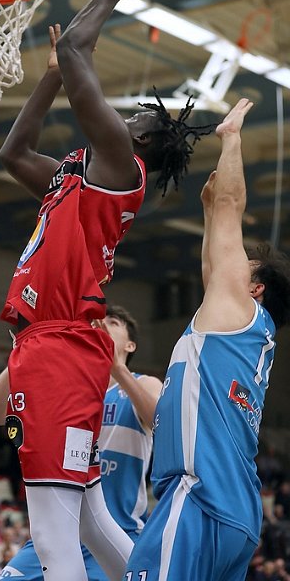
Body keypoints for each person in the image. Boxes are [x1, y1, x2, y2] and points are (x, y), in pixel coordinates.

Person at [0, 0, 214, 581]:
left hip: (60, 347)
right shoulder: (76, 175)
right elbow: (13, 153)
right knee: (91, 519)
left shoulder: (122, 166)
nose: (125, 115)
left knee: (53, 532)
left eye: (136, 117)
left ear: (142, 137)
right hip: (58, 346)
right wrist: (49, 78)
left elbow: (75, 46)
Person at [124, 98, 290, 581]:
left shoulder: (239, 309)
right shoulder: (242, 332)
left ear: (255, 288)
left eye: (243, 267)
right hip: (238, 514)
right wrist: (208, 212)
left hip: (198, 496)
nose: (229, 267)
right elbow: (212, 268)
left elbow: (232, 206)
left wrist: (231, 138)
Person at [0, 305, 162, 580]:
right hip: (59, 531)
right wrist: (25, 348)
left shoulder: (142, 383)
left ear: (130, 345)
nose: (101, 324)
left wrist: (118, 369)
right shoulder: (66, 386)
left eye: (113, 322)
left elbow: (162, 421)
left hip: (119, 530)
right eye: (97, 320)